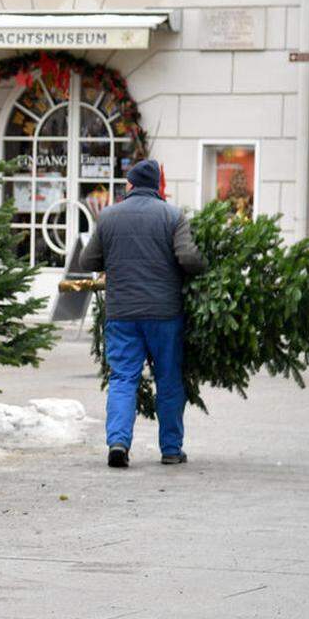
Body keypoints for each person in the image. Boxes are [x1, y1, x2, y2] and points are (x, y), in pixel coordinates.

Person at [80, 159, 205, 469]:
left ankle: (118, 443)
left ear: (131, 185)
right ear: (156, 187)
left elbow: (87, 260)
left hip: (122, 314)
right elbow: (187, 257)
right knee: (169, 379)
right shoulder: (173, 215)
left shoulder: (108, 216)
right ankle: (171, 450)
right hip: (165, 314)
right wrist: (201, 268)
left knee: (123, 378)